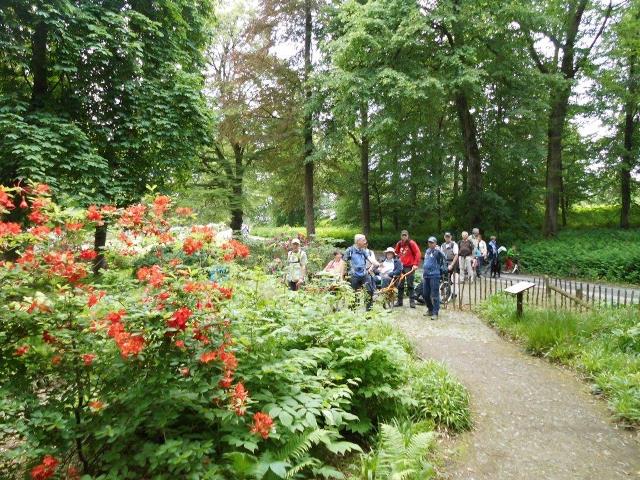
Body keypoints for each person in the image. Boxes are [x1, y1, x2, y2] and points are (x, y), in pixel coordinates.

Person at [344, 234, 379, 310]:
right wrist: (344, 275)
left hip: (364, 274)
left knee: (369, 291)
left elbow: (370, 259)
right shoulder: (349, 250)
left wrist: (376, 263)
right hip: (354, 275)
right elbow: (344, 262)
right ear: (358, 241)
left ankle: (369, 312)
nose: (365, 242)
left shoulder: (363, 251)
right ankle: (352, 311)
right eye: (363, 240)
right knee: (354, 294)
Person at [394, 230, 421, 308]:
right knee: (400, 284)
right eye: (403, 235)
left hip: (409, 266)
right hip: (401, 266)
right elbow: (396, 253)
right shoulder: (399, 244)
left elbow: (418, 253)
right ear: (401, 236)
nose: (404, 237)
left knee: (410, 284)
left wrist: (415, 264)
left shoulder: (411, 243)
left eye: (405, 235)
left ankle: (412, 302)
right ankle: (399, 302)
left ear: (408, 236)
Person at [422, 236, 445, 319]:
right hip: (426, 275)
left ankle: (435, 312)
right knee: (425, 294)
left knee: (434, 295)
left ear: (435, 243)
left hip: (435, 275)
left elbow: (444, 256)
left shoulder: (437, 251)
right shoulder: (427, 251)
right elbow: (425, 262)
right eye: (429, 242)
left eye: (432, 242)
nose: (430, 244)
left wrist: (439, 250)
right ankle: (430, 309)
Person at [441, 232, 459, 297]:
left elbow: (456, 255)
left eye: (448, 237)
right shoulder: (442, 245)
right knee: (445, 278)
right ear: (444, 237)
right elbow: (441, 255)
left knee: (454, 279)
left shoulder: (454, 244)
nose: (447, 238)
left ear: (451, 237)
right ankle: (448, 292)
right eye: (446, 236)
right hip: (445, 263)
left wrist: (452, 265)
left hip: (453, 263)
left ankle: (454, 293)